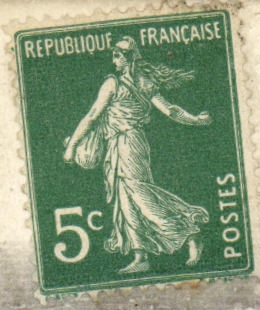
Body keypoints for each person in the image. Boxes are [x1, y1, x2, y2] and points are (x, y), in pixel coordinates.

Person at [63, 37, 212, 274]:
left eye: (117, 56)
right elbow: (170, 110)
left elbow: (92, 115)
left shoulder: (120, 84)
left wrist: (72, 146)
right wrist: (195, 120)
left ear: (127, 58)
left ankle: (190, 234)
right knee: (125, 200)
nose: (114, 61)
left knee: (141, 195)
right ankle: (140, 256)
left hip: (130, 144)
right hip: (118, 145)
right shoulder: (138, 82)